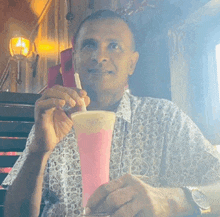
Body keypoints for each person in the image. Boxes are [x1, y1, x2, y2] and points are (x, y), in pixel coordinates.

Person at [3, 10, 220, 217]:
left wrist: (172, 200)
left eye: (114, 46)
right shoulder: (52, 121)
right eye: (89, 45)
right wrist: (38, 151)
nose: (100, 56)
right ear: (76, 59)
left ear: (132, 63)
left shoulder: (164, 118)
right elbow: (13, 213)